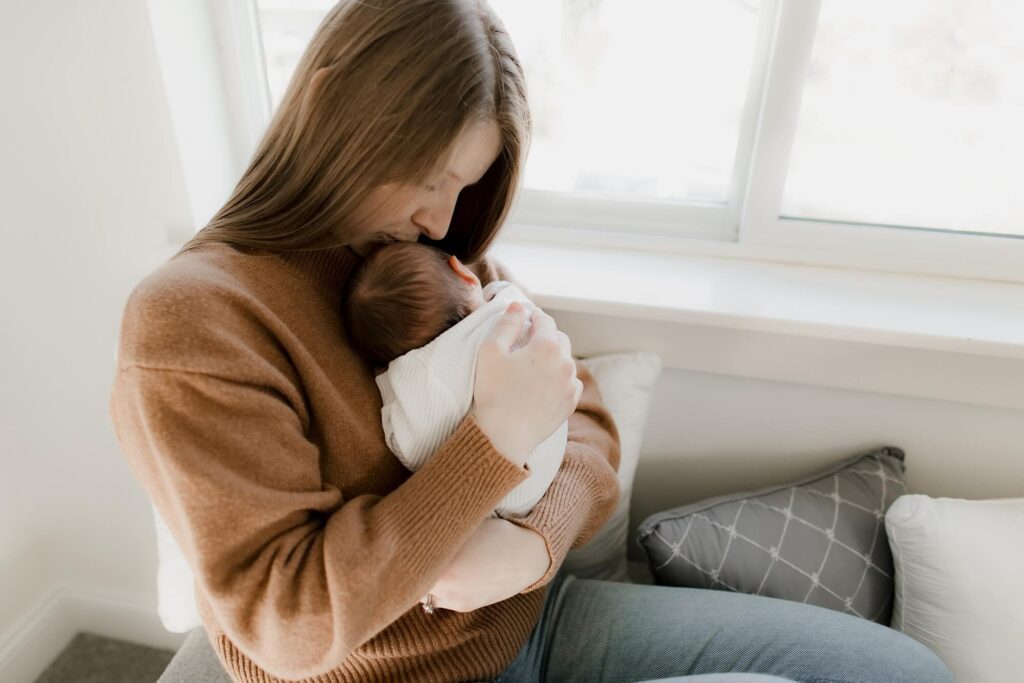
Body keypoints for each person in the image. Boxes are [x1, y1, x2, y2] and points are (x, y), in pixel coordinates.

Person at [108, 1, 956, 681]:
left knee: (899, 670)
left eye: (464, 186)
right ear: (338, 114)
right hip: (381, 675)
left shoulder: (428, 255)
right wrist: (493, 443)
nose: (443, 220)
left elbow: (586, 418)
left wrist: (529, 546)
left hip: (535, 615)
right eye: (431, 178)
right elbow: (291, 619)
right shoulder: (195, 322)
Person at [344, 241, 568, 532]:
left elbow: (407, 447)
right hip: (543, 477)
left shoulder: (415, 375)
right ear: (464, 274)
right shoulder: (508, 305)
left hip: (491, 509)